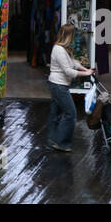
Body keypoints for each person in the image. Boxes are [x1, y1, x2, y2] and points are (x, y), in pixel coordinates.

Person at [47, 23, 95, 151]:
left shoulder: (63, 49)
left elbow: (72, 63)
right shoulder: (59, 50)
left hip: (58, 84)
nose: (75, 38)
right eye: (74, 36)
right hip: (58, 85)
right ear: (69, 36)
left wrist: (86, 69)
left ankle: (52, 140)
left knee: (55, 113)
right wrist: (86, 73)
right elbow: (68, 71)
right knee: (70, 113)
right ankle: (61, 142)